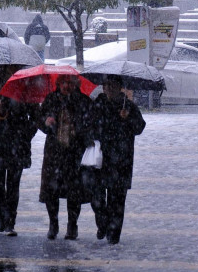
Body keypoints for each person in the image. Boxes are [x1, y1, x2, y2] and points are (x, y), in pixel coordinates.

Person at [0, 66, 38, 237]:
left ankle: (10, 220)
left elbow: (35, 118)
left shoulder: (25, 92)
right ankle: (1, 215)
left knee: (13, 185)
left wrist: (25, 134)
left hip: (17, 145)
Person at [88, 76, 145, 245]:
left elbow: (140, 127)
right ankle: (103, 223)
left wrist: (127, 118)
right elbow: (88, 125)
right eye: (106, 85)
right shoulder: (98, 104)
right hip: (100, 157)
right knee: (96, 196)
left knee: (117, 199)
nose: (108, 88)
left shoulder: (128, 106)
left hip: (122, 159)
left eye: (112, 85)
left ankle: (114, 236)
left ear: (119, 87)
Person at [38, 75, 92, 240]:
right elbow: (39, 120)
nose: (66, 86)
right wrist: (46, 122)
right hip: (54, 153)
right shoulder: (51, 99)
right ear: (58, 84)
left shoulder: (83, 101)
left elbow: (90, 123)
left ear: (76, 84)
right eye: (63, 82)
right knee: (51, 190)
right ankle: (53, 224)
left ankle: (72, 225)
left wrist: (79, 127)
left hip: (74, 153)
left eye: (70, 82)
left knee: (74, 192)